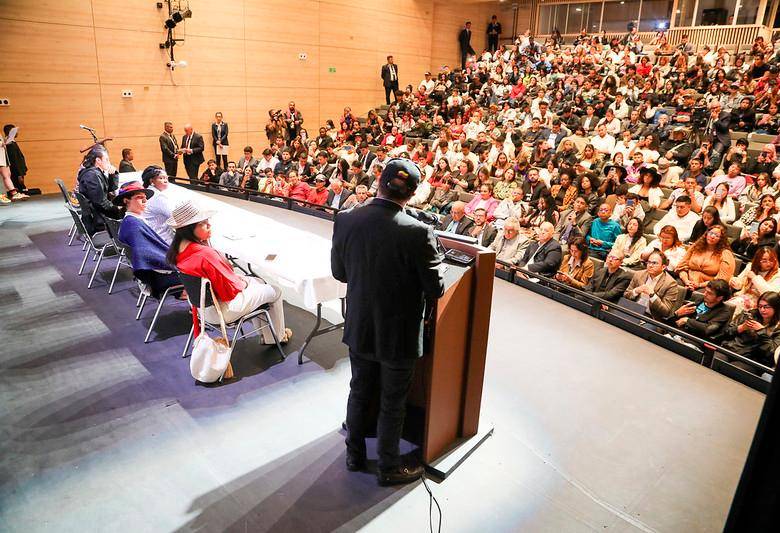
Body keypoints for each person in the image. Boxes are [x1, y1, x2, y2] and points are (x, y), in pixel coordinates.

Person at [330, 158, 445, 486]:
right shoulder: (419, 232)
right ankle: (389, 466)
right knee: (393, 401)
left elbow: (340, 273)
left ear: (378, 181)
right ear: (411, 194)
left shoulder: (347, 219)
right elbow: (435, 287)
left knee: (360, 389)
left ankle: (354, 454)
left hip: (360, 324)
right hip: (399, 333)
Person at [166, 200, 291, 350]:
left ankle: (270, 335)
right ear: (189, 228)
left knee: (257, 281)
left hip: (202, 310)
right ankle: (277, 337)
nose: (209, 225)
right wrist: (244, 282)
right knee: (274, 290)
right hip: (224, 309)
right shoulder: (205, 254)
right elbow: (231, 290)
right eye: (204, 223)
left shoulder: (178, 251)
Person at [115, 182, 181, 297]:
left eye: (145, 198)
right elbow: (150, 254)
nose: (145, 202)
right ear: (126, 201)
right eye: (139, 198)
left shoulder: (131, 221)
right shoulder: (134, 225)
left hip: (155, 273)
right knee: (200, 273)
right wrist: (179, 264)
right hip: (158, 277)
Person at [722, 291, 780, 370]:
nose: (762, 310)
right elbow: (725, 332)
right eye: (760, 306)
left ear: (776, 307)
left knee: (733, 368)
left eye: (766, 307)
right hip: (732, 350)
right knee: (714, 358)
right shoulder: (750, 314)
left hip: (753, 361)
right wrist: (741, 328)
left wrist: (761, 331)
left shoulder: (778, 328)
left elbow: (771, 352)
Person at [624, 250, 681, 321]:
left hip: (650, 318)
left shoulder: (671, 283)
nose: (650, 265)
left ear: (663, 267)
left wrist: (652, 295)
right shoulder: (639, 274)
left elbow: (666, 311)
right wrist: (636, 291)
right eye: (649, 262)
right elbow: (626, 295)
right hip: (632, 310)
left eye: (654, 263)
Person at [77, 145, 122, 234]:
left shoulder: (94, 172)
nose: (109, 163)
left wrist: (113, 174)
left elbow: (110, 188)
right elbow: (100, 203)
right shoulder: (92, 175)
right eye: (107, 160)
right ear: (98, 160)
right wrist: (118, 208)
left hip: (97, 214)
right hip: (99, 219)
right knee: (130, 212)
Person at [677, 224, 736, 291]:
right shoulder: (696, 246)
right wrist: (687, 281)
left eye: (717, 236)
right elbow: (681, 266)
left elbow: (722, 279)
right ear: (706, 234)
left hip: (710, 286)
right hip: (687, 280)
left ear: (721, 239)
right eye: (711, 233)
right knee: (675, 286)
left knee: (702, 294)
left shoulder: (726, 254)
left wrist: (699, 285)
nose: (712, 236)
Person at [140, 165, 175, 243]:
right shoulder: (157, 196)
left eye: (166, 178)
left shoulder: (147, 192)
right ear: (152, 181)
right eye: (161, 178)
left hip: (149, 237)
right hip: (161, 240)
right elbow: (175, 216)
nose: (166, 181)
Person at [3, 124, 28, 195]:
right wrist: (19, 174)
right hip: (16, 172)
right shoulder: (10, 145)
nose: (17, 133)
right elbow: (14, 160)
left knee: (21, 190)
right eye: (15, 131)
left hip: (18, 171)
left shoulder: (12, 143)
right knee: (20, 190)